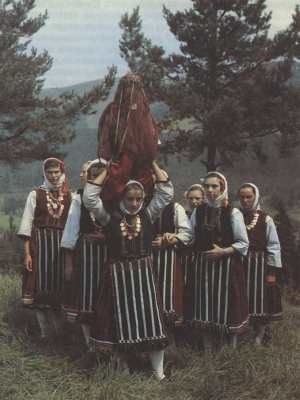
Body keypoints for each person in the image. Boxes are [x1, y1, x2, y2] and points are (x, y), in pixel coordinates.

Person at [83, 160, 174, 381]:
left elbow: (166, 194)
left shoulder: (148, 214)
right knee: (118, 323)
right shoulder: (109, 217)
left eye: (138, 199)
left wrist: (151, 161)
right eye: (129, 199)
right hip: (117, 276)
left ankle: (159, 374)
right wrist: (109, 170)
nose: (134, 203)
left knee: (152, 321)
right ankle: (124, 368)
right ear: (122, 198)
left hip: (143, 275)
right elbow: (89, 198)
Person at [185, 172, 249, 350]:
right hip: (202, 266)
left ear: (223, 188)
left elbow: (243, 243)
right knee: (204, 306)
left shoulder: (233, 212)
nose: (211, 190)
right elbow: (189, 236)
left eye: (215, 186)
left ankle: (229, 350)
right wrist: (173, 237)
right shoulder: (198, 211)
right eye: (207, 186)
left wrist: (223, 251)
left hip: (227, 266)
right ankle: (207, 350)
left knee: (228, 306)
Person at [18, 158, 72, 338]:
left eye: (57, 172)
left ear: (62, 172)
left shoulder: (70, 196)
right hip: (39, 246)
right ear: (45, 173)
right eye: (50, 172)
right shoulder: (35, 194)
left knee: (58, 287)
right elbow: (26, 224)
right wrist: (27, 254)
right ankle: (44, 333)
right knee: (40, 289)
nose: (54, 176)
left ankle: (59, 333)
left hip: (61, 248)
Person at [60, 161, 108, 349]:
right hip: (87, 256)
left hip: (108, 255)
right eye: (92, 174)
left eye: (99, 174)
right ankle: (89, 345)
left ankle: (106, 343)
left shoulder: (114, 196)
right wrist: (69, 263)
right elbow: (71, 231)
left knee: (106, 298)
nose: (95, 178)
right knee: (88, 299)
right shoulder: (79, 198)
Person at [238, 183, 282, 345]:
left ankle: (259, 337)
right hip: (240, 264)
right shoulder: (236, 216)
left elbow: (274, 246)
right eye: (242, 197)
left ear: (256, 197)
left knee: (260, 301)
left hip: (260, 266)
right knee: (242, 299)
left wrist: (272, 272)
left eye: (249, 196)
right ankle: (243, 335)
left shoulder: (265, 219)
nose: (245, 200)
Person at [152, 201, 192, 327]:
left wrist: (170, 240)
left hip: (168, 258)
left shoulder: (175, 208)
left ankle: (172, 337)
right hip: (146, 257)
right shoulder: (140, 203)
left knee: (169, 296)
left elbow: (188, 234)